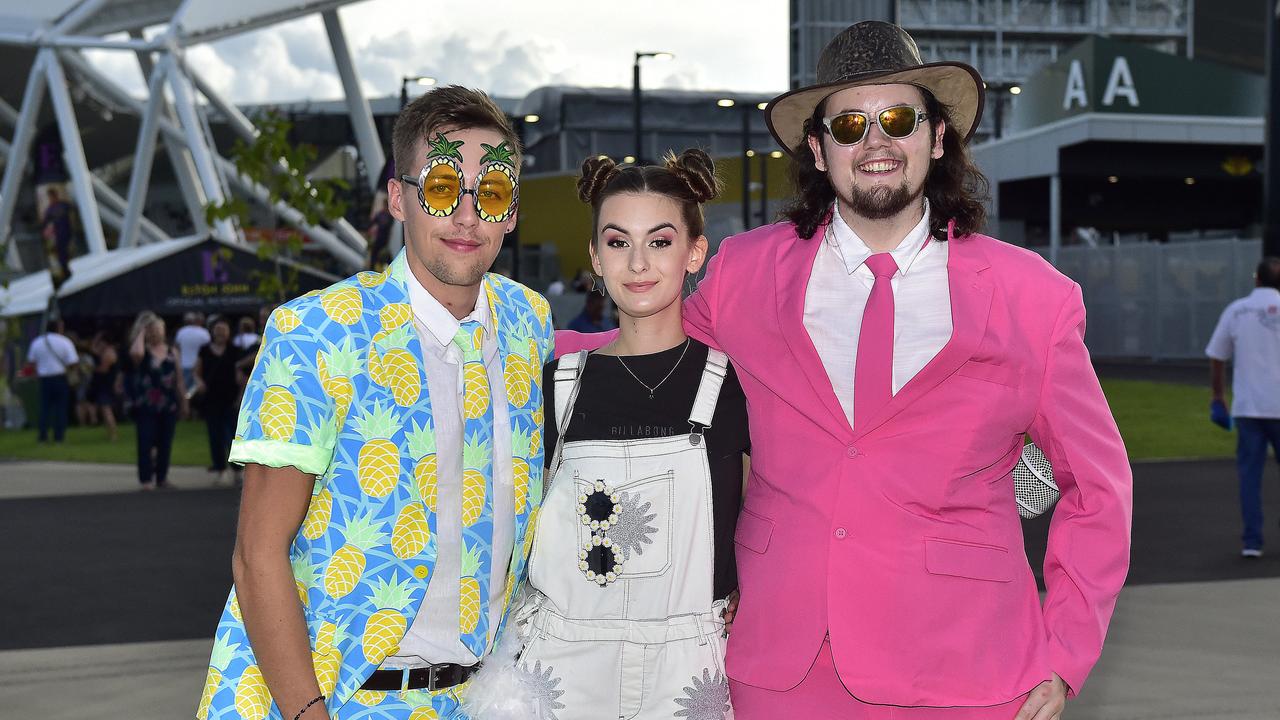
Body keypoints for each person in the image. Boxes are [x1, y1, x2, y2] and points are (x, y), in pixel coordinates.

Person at [561, 21, 1131, 720]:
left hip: (970, 674)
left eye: (898, 118)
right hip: (779, 669)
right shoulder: (745, 273)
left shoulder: (1034, 298)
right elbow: (648, 354)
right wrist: (507, 337)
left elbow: (1099, 490)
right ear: (817, 146)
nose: (876, 142)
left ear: (937, 136)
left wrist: (1066, 651)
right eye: (851, 124)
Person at [198, 85, 554, 720]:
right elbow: (257, 555)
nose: (467, 217)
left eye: (491, 193)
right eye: (443, 188)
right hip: (339, 700)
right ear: (399, 198)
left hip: (486, 699)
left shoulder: (528, 322)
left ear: (513, 210)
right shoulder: (318, 331)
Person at [508, 152, 748, 720]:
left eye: (660, 242)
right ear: (595, 255)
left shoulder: (730, 385)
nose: (638, 263)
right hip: (560, 667)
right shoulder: (557, 386)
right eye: (618, 242)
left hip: (686, 674)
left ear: (695, 252)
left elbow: (760, 522)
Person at [1206, 257, 1280, 559]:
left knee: (1250, 477)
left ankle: (1252, 542)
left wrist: (1218, 395)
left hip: (1249, 407)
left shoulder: (1238, 310)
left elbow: (1216, 354)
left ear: (1257, 280)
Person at [128, 312, 188, 490]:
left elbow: (179, 379)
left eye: (159, 330)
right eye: (153, 330)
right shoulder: (143, 351)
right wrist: (141, 332)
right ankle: (146, 479)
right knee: (145, 441)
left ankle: (162, 477)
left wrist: (183, 401)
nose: (157, 334)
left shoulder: (172, 352)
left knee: (165, 442)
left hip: (168, 403)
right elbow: (135, 353)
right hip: (146, 403)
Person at [195, 317, 242, 486]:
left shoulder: (235, 350)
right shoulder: (204, 350)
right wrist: (199, 382)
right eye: (218, 329)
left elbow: (241, 372)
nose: (221, 333)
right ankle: (220, 469)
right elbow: (197, 371)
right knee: (215, 435)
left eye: (224, 330)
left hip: (230, 398)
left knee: (233, 435)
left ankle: (237, 470)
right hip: (212, 398)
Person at [26, 318, 77, 443]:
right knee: (61, 408)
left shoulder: (37, 342)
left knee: (44, 408)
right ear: (59, 328)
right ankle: (59, 436)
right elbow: (73, 362)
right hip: (60, 378)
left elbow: (31, 362)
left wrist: (36, 373)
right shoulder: (65, 342)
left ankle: (43, 435)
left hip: (44, 379)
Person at [88, 331, 120, 441]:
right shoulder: (105, 351)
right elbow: (93, 349)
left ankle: (113, 434)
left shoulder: (109, 353)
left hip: (107, 385)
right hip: (104, 384)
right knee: (104, 409)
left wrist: (91, 369)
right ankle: (110, 433)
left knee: (106, 409)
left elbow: (104, 369)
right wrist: (96, 338)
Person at [175, 311, 212, 393]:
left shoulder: (181, 332)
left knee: (185, 392)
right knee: (198, 392)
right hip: (199, 367)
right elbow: (209, 350)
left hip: (184, 365)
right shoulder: (204, 333)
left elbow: (176, 349)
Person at [41, 187, 74, 278]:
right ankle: (65, 271)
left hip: (68, 232)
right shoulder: (50, 209)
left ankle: (68, 270)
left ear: (55, 196)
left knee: (68, 252)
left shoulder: (64, 205)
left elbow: (72, 209)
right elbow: (45, 222)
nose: (51, 199)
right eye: (50, 197)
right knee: (61, 253)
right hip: (59, 234)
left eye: (52, 196)